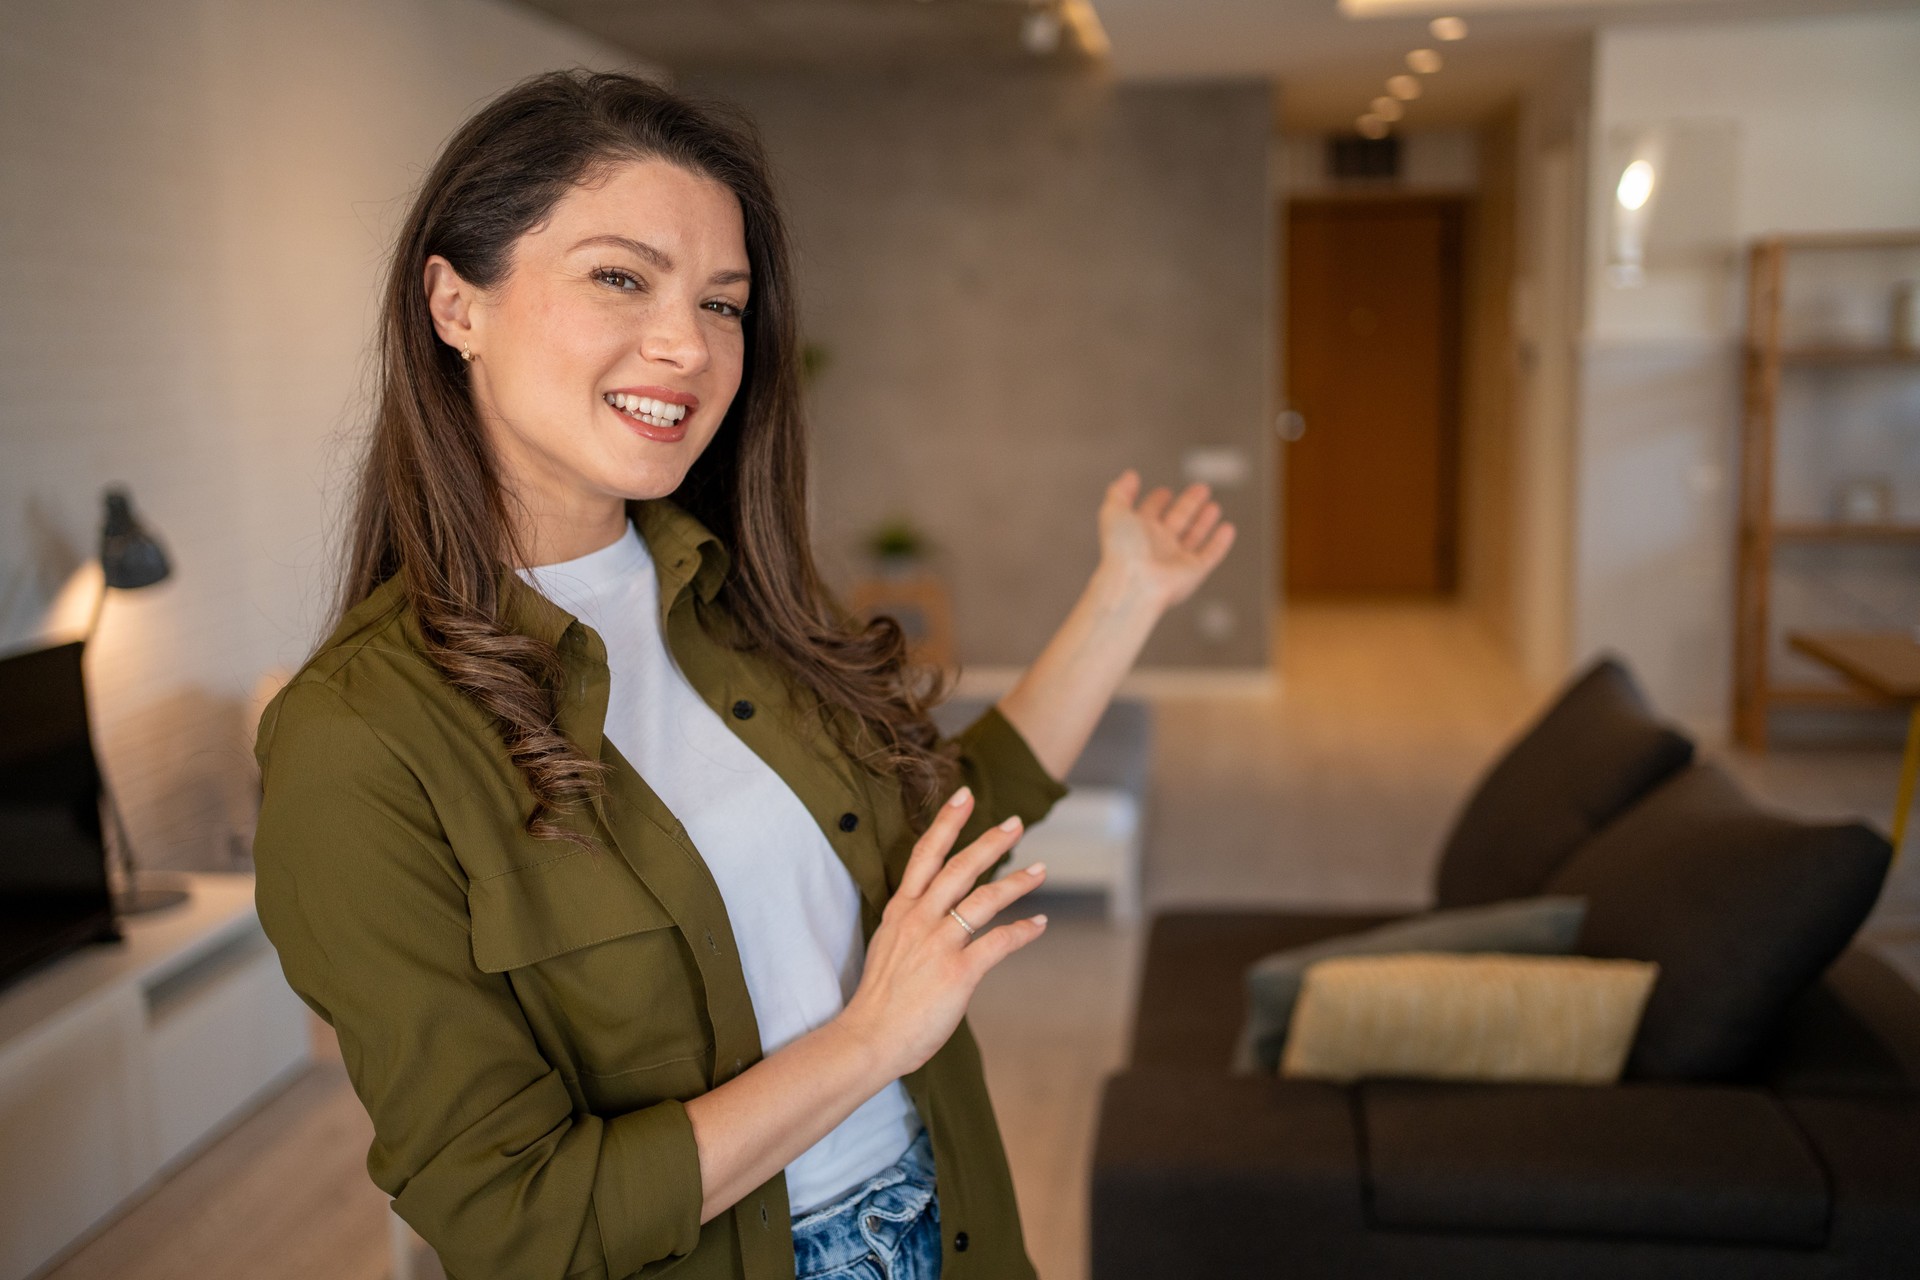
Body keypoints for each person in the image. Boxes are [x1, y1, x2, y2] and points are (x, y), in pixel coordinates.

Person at [250, 69, 1234, 1280]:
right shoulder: (359, 740)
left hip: (954, 1220)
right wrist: (873, 1038)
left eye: (724, 303)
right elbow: (519, 1221)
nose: (689, 345)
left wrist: (1129, 593)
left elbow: (941, 834)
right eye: (620, 276)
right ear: (456, 302)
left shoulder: (736, 592)